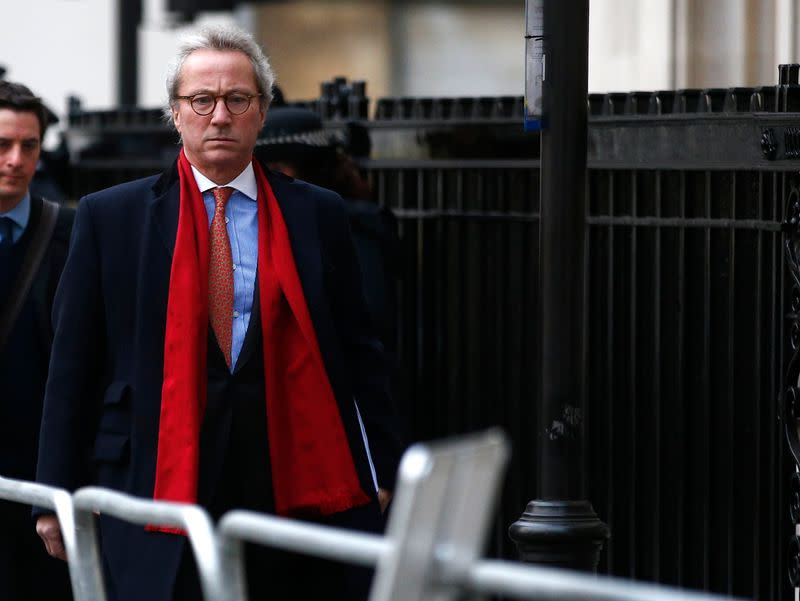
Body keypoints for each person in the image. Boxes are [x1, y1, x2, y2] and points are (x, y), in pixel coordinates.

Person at [34, 26, 403, 601]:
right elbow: (72, 364)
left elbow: (360, 351)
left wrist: (382, 467)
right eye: (201, 101)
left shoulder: (318, 214)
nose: (220, 116)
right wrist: (54, 494)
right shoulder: (112, 217)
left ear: (262, 112)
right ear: (175, 115)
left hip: (285, 472)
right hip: (150, 472)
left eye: (238, 99)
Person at [0, 81, 74, 601]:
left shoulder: (69, 232)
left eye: (29, 146)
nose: (15, 160)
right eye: (2, 145)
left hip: (37, 475)